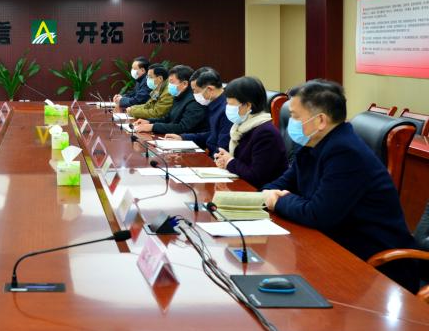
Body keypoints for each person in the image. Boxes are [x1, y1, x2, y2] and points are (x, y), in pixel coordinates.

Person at [262, 80, 419, 293]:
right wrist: (267, 194)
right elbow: (280, 184)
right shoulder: (311, 145)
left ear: (320, 120)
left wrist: (279, 200)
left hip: (376, 269)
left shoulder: (346, 153)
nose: (291, 122)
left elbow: (317, 214)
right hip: (332, 247)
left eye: (295, 117)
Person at [213, 76, 287, 189]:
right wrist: (224, 160)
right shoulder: (241, 127)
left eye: (231, 104)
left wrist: (230, 161)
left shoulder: (266, 133)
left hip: (263, 193)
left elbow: (256, 177)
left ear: (248, 105)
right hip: (243, 187)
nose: (227, 108)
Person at [163, 67, 231, 154]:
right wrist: (183, 137)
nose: (194, 94)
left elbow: (223, 146)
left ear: (209, 89)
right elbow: (212, 134)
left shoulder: (226, 110)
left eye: (195, 91)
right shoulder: (213, 104)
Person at [132, 65, 207, 135]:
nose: (169, 85)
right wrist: (149, 121)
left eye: (171, 82)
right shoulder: (178, 95)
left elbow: (182, 127)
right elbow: (168, 118)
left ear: (184, 84)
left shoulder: (194, 102)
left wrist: (153, 127)